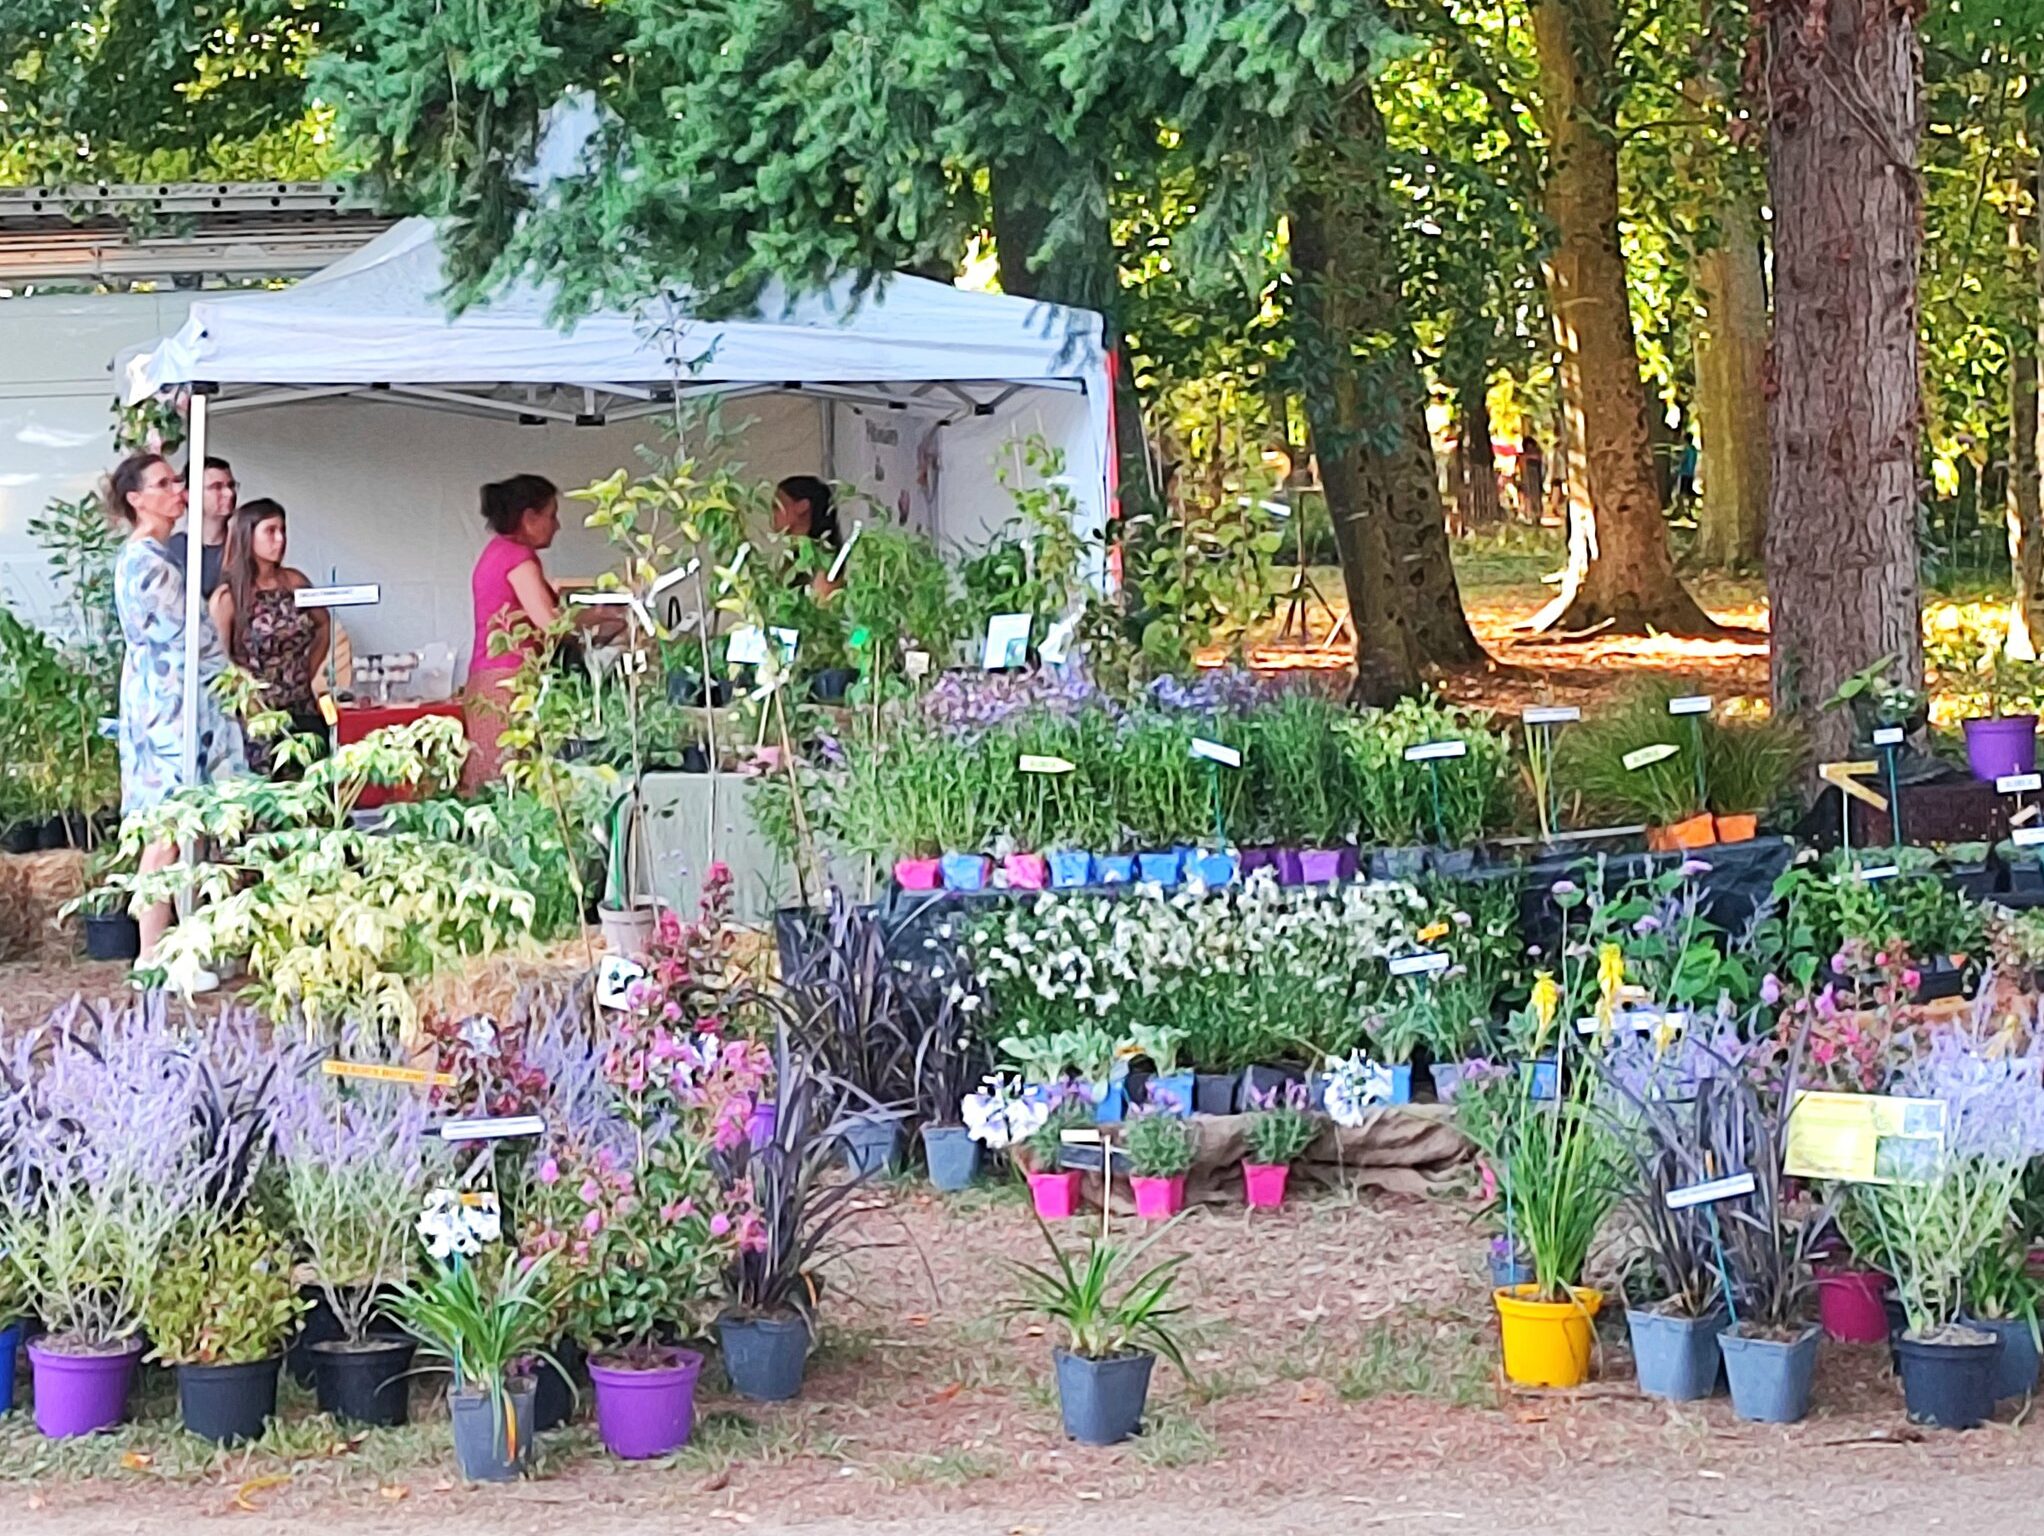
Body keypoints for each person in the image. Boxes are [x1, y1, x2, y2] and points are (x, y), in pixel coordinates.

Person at [107, 451, 247, 966]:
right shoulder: (146, 561)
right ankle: (152, 952)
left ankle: (185, 944)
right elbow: (190, 638)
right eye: (164, 483)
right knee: (168, 829)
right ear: (137, 499)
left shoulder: (158, 556)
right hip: (170, 704)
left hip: (180, 698)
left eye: (176, 481)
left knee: (188, 826)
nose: (177, 491)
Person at [464, 474, 616, 790]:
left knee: (494, 774)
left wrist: (595, 618)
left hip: (491, 676)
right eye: (551, 515)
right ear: (529, 518)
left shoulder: (496, 552)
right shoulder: (517, 558)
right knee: (508, 777)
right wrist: (602, 619)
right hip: (508, 681)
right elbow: (549, 622)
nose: (556, 525)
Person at [209, 498, 330, 774]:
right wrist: (247, 700)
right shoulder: (229, 596)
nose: (280, 539)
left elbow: (323, 625)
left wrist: (309, 670)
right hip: (258, 715)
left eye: (283, 531)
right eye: (271, 531)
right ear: (248, 536)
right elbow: (219, 661)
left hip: (301, 704)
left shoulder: (295, 582)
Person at [168, 455, 236, 600]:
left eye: (231, 485)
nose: (229, 493)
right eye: (217, 487)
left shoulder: (246, 545)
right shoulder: (172, 549)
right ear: (188, 495)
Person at [773, 474, 844, 596]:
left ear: (802, 506)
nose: (773, 513)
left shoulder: (825, 559)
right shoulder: (793, 558)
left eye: (777, 506)